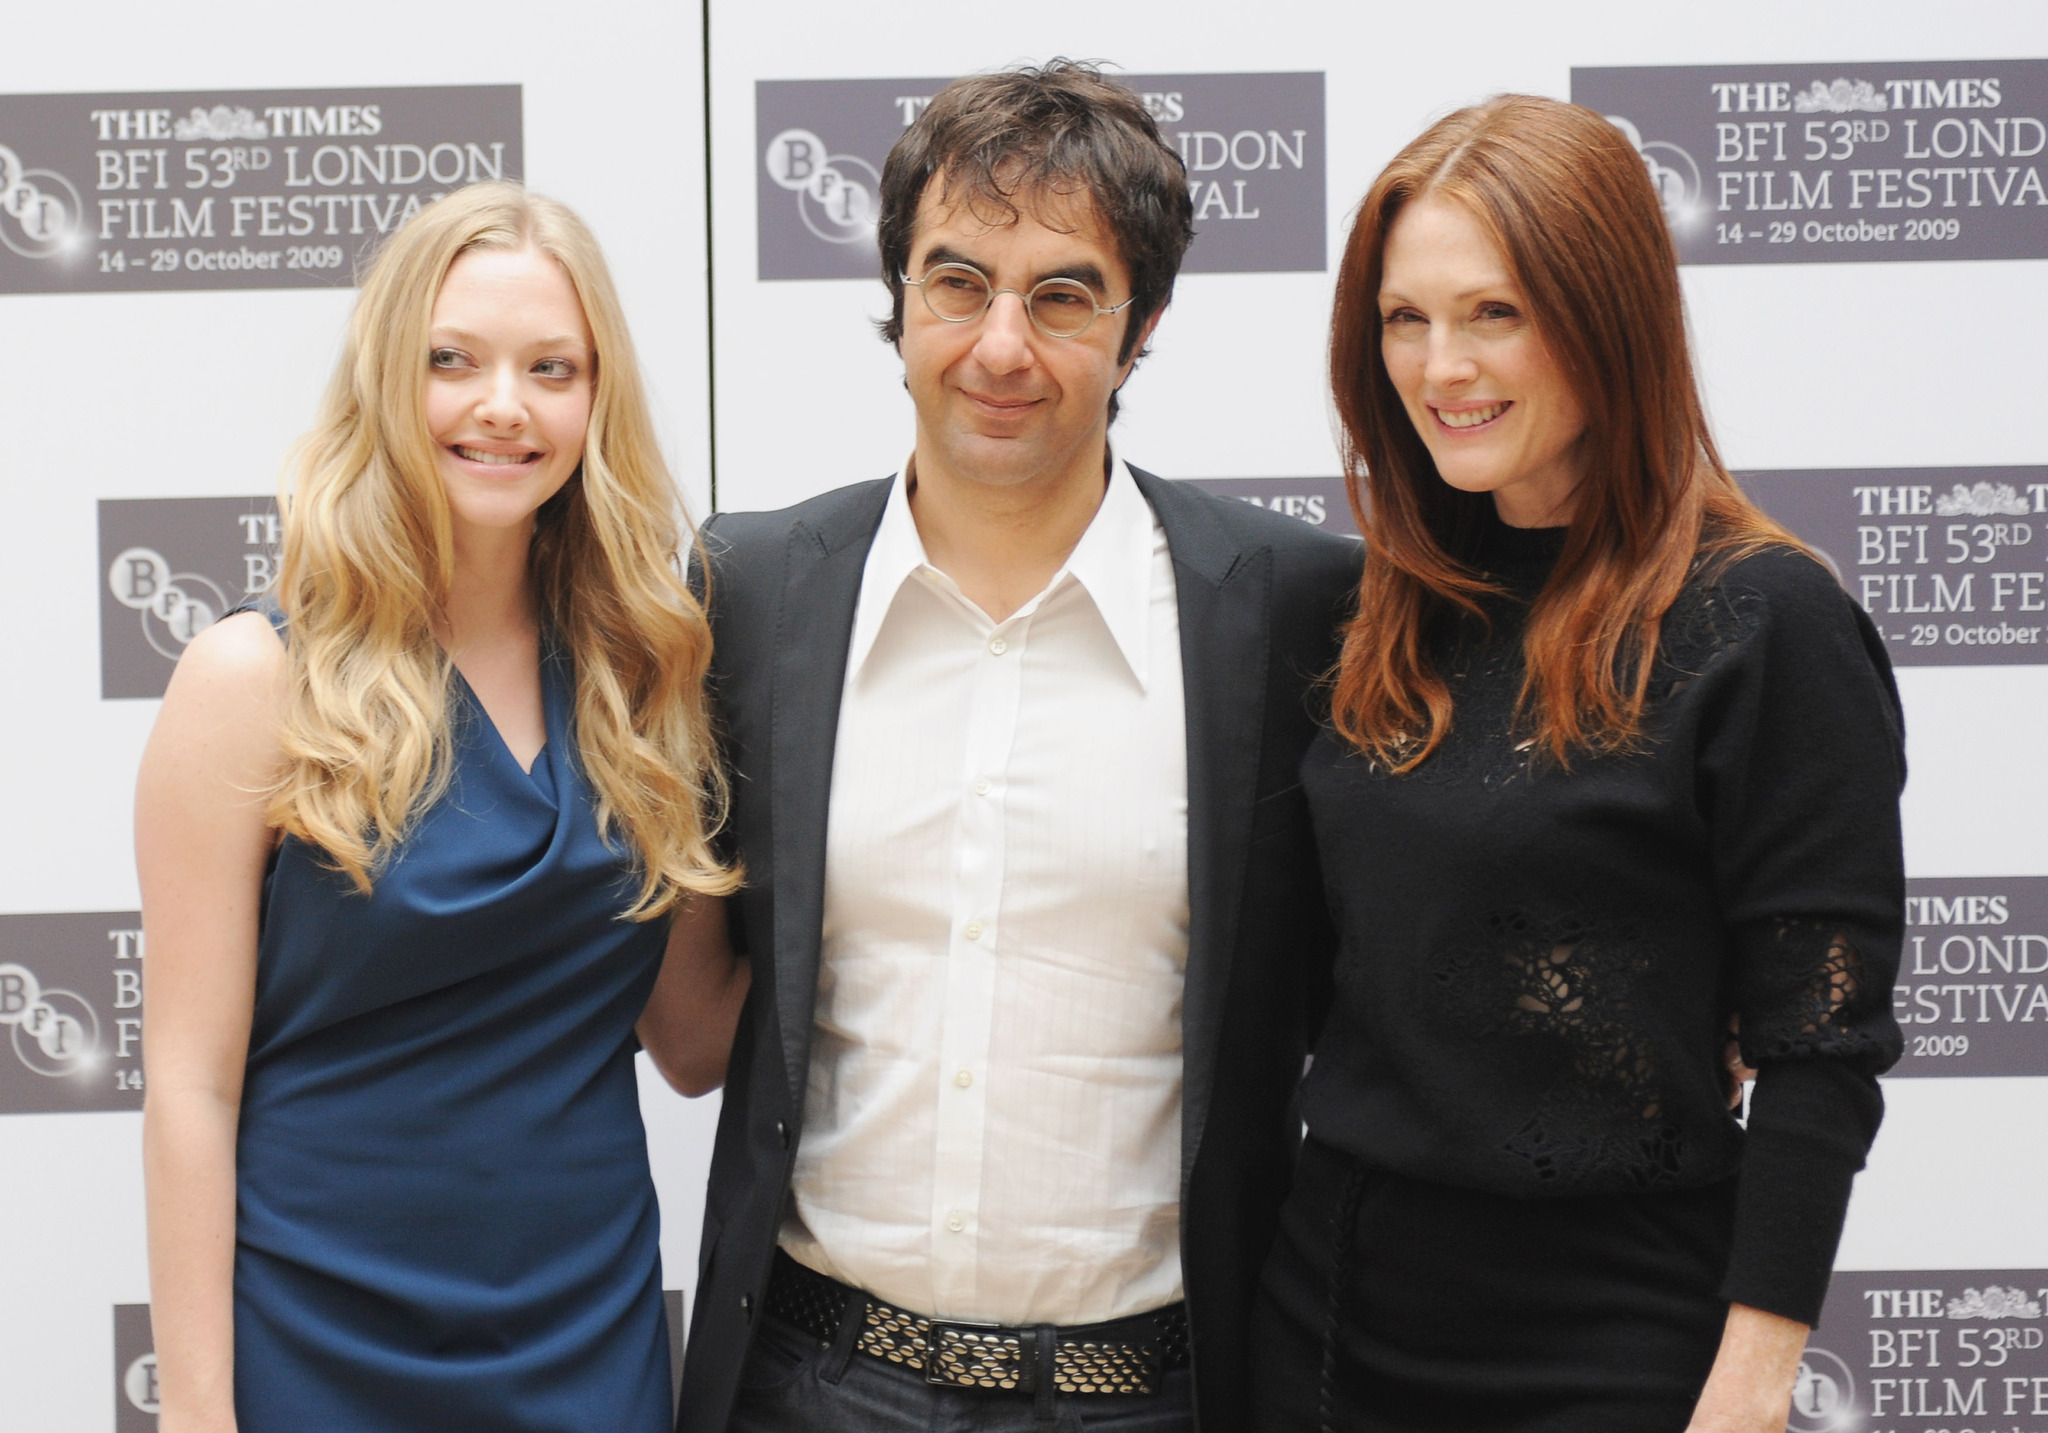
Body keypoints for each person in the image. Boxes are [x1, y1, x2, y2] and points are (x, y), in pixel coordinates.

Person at [675, 61, 1361, 1433]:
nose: (1001, 346)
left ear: (1141, 322)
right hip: (811, 1384)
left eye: (1062, 295)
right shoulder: (749, 593)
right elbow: (692, 1026)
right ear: (899, 298)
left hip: (1154, 1395)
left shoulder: (1291, 609)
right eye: (957, 282)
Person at [1249, 95, 1906, 1433]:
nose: (1441, 367)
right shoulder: (1386, 605)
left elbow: (1819, 1052)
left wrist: (1752, 1384)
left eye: (1495, 312)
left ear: (1607, 318)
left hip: (1617, 1343)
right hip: (1327, 1327)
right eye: (1403, 319)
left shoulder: (1766, 619)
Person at [137, 182, 749, 1433]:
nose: (503, 405)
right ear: (383, 381)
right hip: (316, 1342)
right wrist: (198, 1415)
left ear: (596, 398)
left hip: (585, 1341)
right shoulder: (251, 681)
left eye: (551, 368)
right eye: (451, 361)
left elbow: (692, 1040)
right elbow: (190, 1087)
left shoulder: (646, 679)